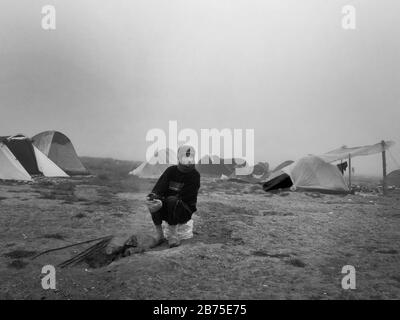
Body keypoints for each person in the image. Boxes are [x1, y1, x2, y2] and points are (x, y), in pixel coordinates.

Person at [146, 145, 200, 248]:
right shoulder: (171, 171)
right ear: (179, 157)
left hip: (184, 210)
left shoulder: (194, 175)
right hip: (168, 207)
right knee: (152, 200)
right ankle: (159, 235)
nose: (188, 160)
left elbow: (186, 197)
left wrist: (164, 201)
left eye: (190, 157)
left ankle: (173, 235)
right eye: (184, 156)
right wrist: (154, 197)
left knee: (172, 200)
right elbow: (159, 188)